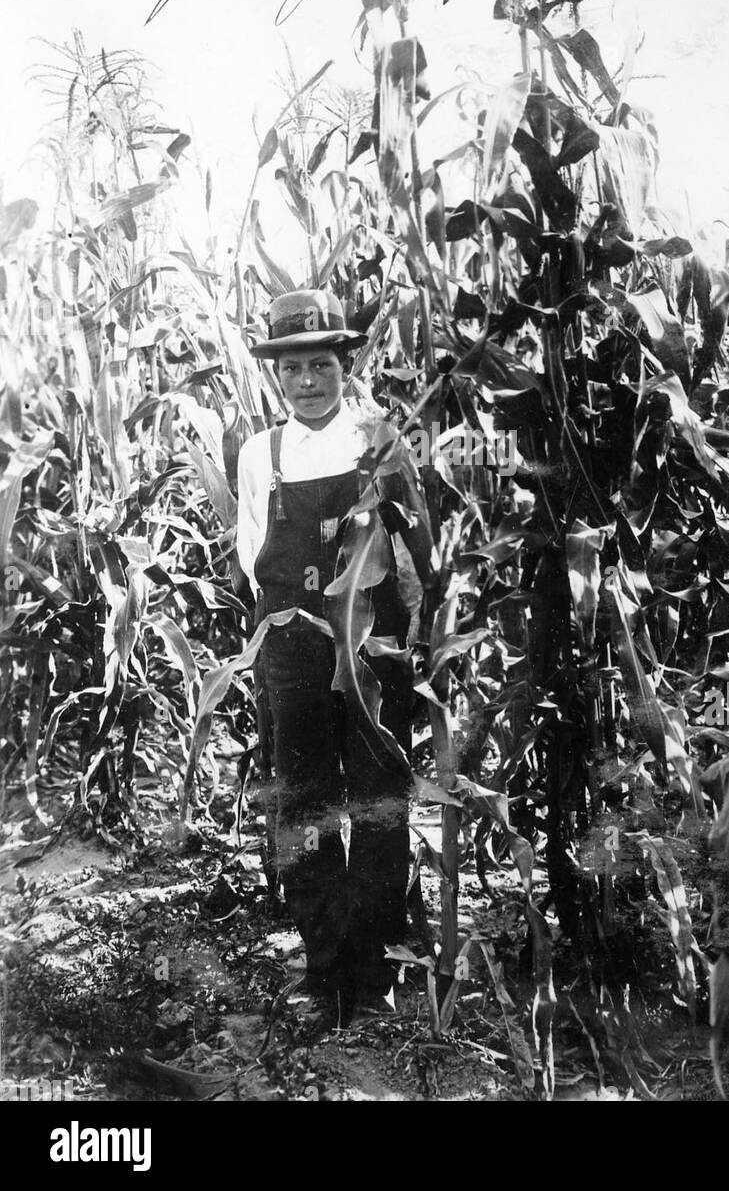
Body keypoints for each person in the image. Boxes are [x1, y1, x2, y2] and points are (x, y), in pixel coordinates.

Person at [236, 288, 437, 1024]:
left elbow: (419, 551)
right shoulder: (264, 453)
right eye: (293, 370)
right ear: (277, 376)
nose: (308, 382)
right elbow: (251, 550)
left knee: (380, 805)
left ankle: (373, 971)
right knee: (304, 803)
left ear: (344, 364)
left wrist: (414, 639)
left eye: (321, 364)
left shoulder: (378, 440)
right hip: (290, 644)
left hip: (371, 645)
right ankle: (324, 971)